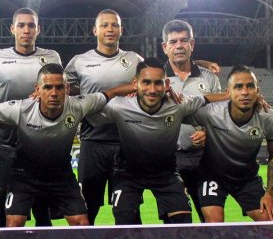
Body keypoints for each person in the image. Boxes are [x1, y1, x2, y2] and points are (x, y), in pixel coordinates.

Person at [0, 63, 130, 227]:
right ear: (37, 89)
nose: (54, 93)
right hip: (24, 175)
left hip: (61, 176)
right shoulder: (21, 108)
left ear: (67, 89)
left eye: (59, 87)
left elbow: (110, 93)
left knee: (82, 223)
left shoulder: (78, 105)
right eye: (48, 87)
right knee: (14, 224)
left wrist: (139, 87)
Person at [89, 58, 229, 225]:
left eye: (158, 83)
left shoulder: (179, 104)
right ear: (135, 83)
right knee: (125, 221)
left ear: (167, 84)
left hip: (166, 174)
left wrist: (231, 95)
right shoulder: (119, 106)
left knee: (183, 222)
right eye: (146, 83)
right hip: (128, 174)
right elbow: (84, 110)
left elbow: (206, 98)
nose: (152, 89)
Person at [0, 7, 62, 227]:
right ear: (12, 29)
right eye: (22, 25)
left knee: (42, 213)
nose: (27, 30)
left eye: (31, 25)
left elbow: (61, 90)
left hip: (42, 145)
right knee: (2, 211)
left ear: (38, 29)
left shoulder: (52, 57)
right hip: (8, 143)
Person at [65, 9, 144, 224]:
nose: (110, 29)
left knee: (128, 212)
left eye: (114, 25)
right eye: (104, 25)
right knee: (87, 210)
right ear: (95, 30)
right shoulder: (79, 61)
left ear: (121, 29)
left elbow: (156, 78)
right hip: (93, 141)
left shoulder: (134, 59)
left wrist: (200, 63)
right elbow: (62, 89)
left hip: (127, 143)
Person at [192, 65, 273, 222]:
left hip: (247, 179)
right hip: (212, 176)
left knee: (271, 225)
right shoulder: (211, 113)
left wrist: (270, 193)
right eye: (238, 87)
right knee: (214, 226)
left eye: (250, 86)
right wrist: (202, 130)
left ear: (257, 91)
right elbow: (180, 110)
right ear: (228, 92)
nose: (245, 92)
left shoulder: (267, 117)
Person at [161, 19, 222, 222]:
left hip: (204, 158)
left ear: (192, 44)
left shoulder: (209, 78)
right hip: (169, 160)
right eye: (173, 42)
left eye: (184, 40)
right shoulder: (155, 80)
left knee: (211, 220)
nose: (179, 46)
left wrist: (208, 133)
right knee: (176, 223)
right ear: (165, 47)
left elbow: (220, 115)